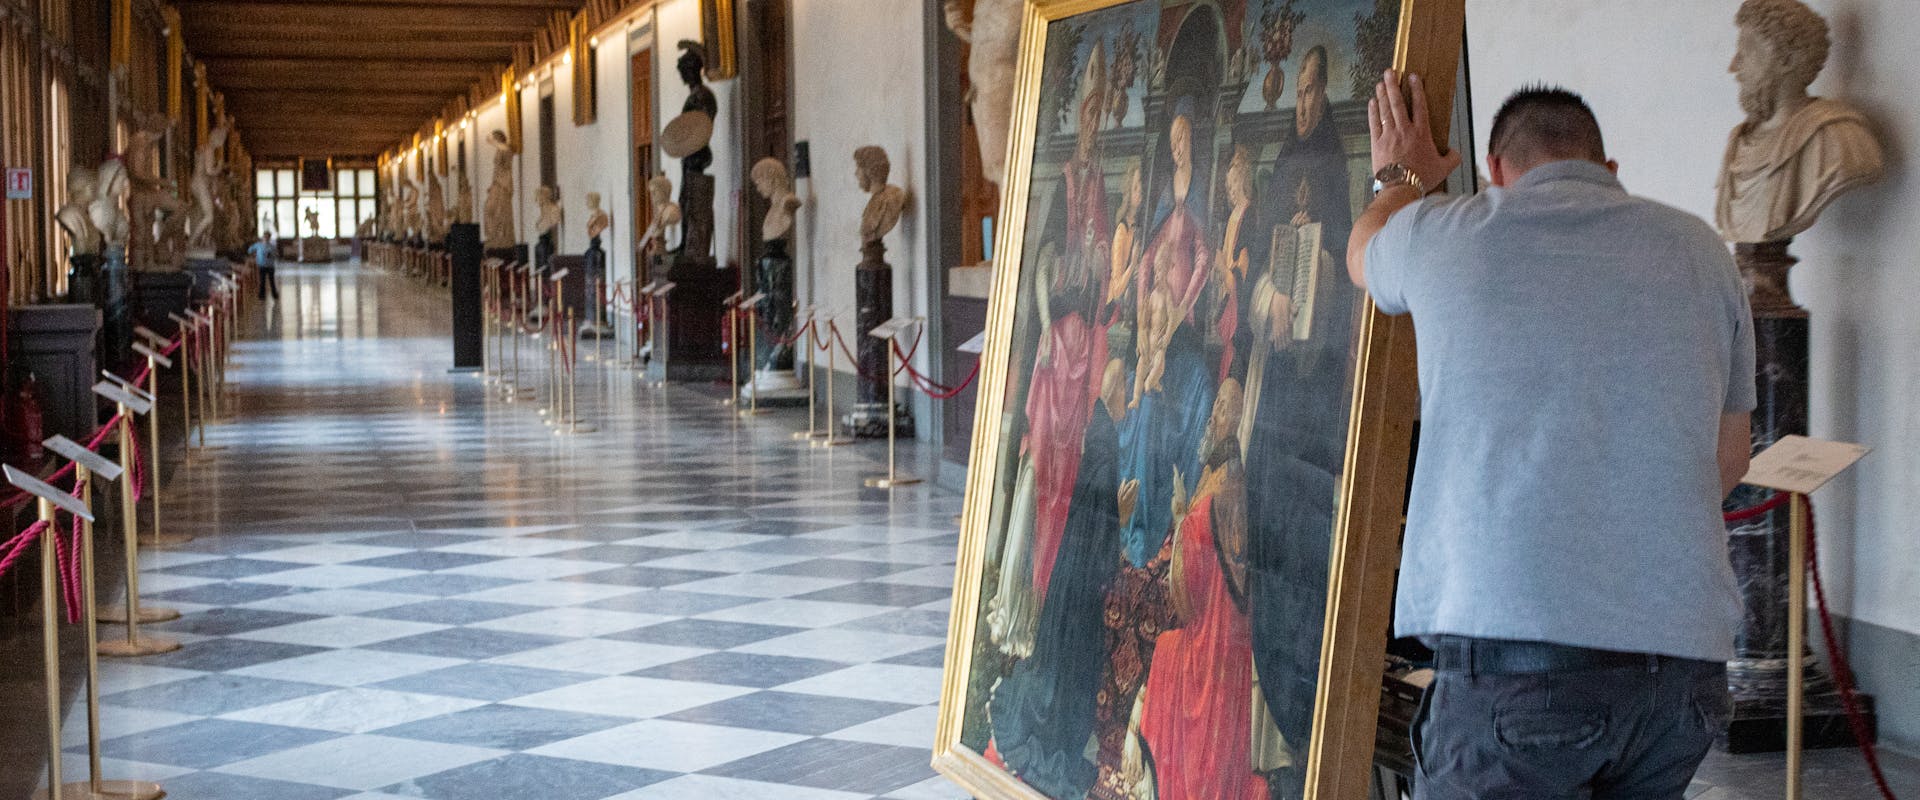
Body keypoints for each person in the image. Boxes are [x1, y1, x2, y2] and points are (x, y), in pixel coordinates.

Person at [1349, 72, 1755, 799]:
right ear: (1610, 172)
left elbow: (1364, 252)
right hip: (1683, 675)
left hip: (1519, 671)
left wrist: (1402, 175)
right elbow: (1726, 459)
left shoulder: (1449, 235)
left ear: (1494, 174)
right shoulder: (1703, 252)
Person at [249, 233, 281, 300]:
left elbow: (276, 255)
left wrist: (273, 255)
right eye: (265, 237)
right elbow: (250, 250)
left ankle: (274, 294)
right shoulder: (258, 245)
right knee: (262, 281)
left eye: (267, 237)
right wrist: (254, 255)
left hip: (270, 266)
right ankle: (261, 295)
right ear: (263, 237)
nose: (266, 238)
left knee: (272, 281)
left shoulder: (272, 246)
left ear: (269, 238)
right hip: (261, 265)